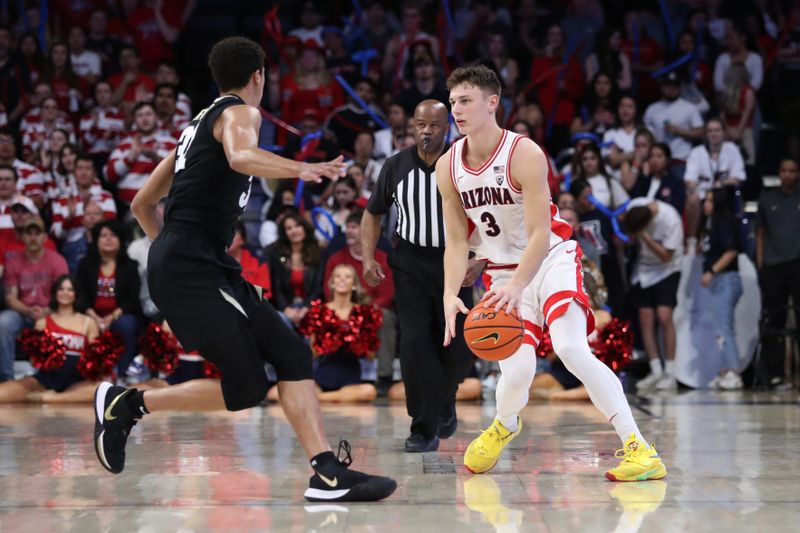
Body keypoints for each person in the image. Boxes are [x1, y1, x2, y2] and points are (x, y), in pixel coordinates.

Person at [104, 36, 395, 503]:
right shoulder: (241, 113)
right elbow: (241, 157)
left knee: (294, 356)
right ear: (259, 75)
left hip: (197, 260)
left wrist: (170, 253)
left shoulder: (194, 128)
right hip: (193, 262)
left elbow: (142, 203)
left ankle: (326, 473)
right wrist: (303, 169)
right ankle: (129, 403)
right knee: (247, 387)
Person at [437, 65, 665, 481]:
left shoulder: (523, 153)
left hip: (550, 259)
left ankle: (639, 448)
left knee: (571, 347)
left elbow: (542, 232)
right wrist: (451, 292)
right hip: (503, 272)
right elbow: (456, 242)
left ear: (492, 103)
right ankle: (504, 424)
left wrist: (519, 285)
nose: (457, 109)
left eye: (466, 100)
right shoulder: (447, 166)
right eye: (453, 102)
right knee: (518, 371)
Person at [361, 99, 478, 453]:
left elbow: (491, 217)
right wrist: (368, 256)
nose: (426, 130)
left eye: (434, 125)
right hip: (410, 262)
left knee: (458, 348)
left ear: (448, 128)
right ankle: (422, 427)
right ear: (412, 126)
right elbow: (372, 214)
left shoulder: (464, 165)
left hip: (456, 264)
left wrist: (481, 260)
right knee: (414, 345)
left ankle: (446, 397)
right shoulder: (394, 166)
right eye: (420, 124)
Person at [272, 263, 381, 403]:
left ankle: (317, 399)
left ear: (354, 284)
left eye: (347, 277)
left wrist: (356, 341)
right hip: (322, 378)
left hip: (351, 381)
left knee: (369, 391)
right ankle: (328, 397)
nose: (342, 279)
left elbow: (371, 356)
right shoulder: (319, 312)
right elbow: (312, 354)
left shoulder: (364, 313)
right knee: (275, 393)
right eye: (338, 276)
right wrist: (327, 343)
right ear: (332, 283)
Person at [0, 275, 100, 403]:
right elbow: (33, 361)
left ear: (76, 294)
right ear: (55, 293)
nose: (65, 293)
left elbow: (96, 361)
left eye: (70, 289)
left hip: (78, 381)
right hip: (46, 379)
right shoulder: (42, 322)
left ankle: (50, 398)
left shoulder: (88, 322)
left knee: (100, 389)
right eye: (61, 289)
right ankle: (57, 398)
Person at [622, 199, 684, 391]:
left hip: (667, 269)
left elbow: (667, 256)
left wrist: (644, 236)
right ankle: (656, 371)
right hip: (643, 269)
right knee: (645, 319)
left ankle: (670, 373)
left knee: (665, 317)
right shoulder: (636, 205)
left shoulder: (670, 219)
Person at [0, 216, 69, 382]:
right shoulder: (13, 262)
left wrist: (46, 311)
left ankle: (53, 380)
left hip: (51, 310)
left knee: (65, 322)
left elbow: (64, 293)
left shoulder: (57, 260)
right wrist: (29, 310)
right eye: (28, 233)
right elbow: (10, 297)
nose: (33, 237)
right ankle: (6, 379)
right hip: (22, 312)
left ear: (45, 237)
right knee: (3, 323)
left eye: (37, 233)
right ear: (23, 237)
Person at [755, 157, 800, 389]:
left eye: (792, 170)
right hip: (773, 267)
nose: (787, 174)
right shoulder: (767, 198)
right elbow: (760, 234)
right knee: (775, 322)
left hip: (797, 265)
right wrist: (761, 266)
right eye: (783, 170)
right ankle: (775, 375)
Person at [75, 220, 141, 378]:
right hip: (91, 315)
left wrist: (111, 317)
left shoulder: (130, 266)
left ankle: (124, 375)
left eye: (113, 235)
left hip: (119, 315)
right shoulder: (85, 264)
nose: (108, 239)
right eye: (103, 235)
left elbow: (132, 300)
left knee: (127, 324)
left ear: (120, 240)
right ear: (96, 240)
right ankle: (87, 374)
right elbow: (80, 295)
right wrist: (94, 317)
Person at [700, 188, 743, 389]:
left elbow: (731, 251)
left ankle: (734, 372)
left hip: (726, 279)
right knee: (722, 327)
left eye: (710, 200)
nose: (705, 204)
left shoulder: (723, 222)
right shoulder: (711, 224)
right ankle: (726, 371)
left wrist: (711, 271)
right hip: (721, 281)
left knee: (723, 328)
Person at [683, 118, 746, 239]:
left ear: (723, 132)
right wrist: (696, 187)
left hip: (725, 193)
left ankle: (733, 242)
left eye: (717, 130)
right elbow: (689, 180)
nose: (713, 134)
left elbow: (739, 178)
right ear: (706, 134)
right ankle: (692, 241)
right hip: (702, 194)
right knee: (692, 199)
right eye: (710, 131)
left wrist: (720, 184)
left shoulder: (732, 149)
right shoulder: (697, 152)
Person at [264, 213, 324, 329]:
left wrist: (307, 308)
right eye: (289, 228)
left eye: (297, 226)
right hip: (285, 307)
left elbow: (318, 286)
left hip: (311, 306)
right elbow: (276, 286)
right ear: (284, 233)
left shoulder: (319, 252)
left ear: (304, 227)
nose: (294, 231)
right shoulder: (277, 254)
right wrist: (286, 309)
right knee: (281, 320)